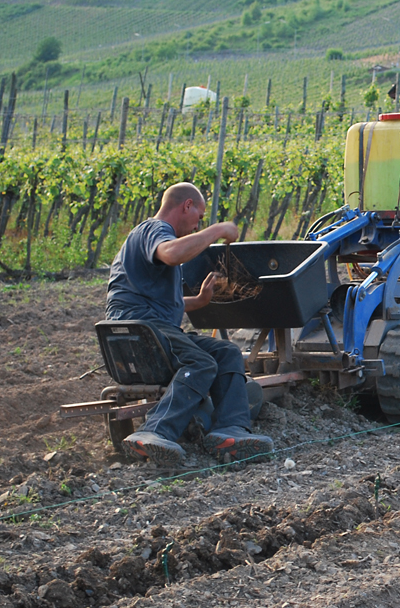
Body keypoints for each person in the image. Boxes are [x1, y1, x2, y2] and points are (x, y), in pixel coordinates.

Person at [106, 182, 274, 467]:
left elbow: (159, 302)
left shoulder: (153, 240)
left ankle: (230, 431)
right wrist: (218, 231)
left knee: (227, 353)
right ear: (187, 206)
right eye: (199, 217)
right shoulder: (156, 230)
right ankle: (154, 431)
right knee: (202, 363)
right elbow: (172, 254)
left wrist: (198, 300)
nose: (198, 226)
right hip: (140, 329)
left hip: (149, 326)